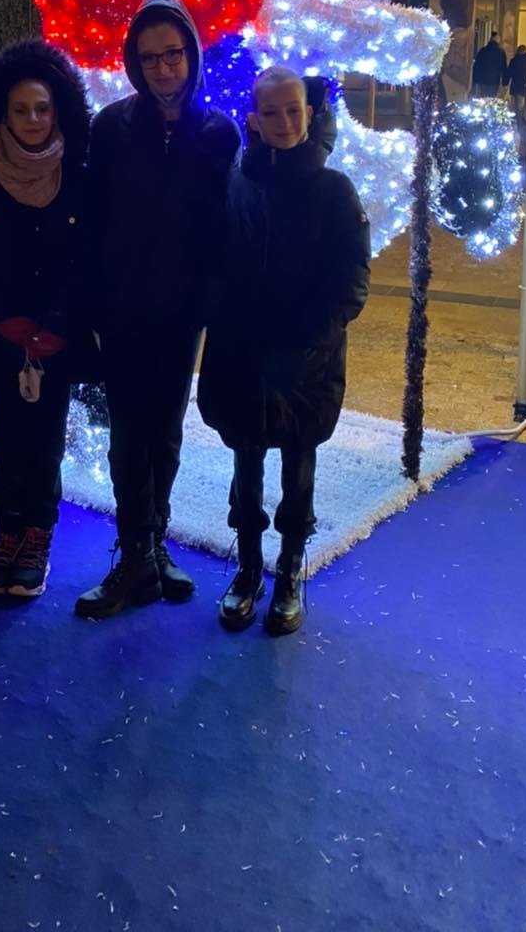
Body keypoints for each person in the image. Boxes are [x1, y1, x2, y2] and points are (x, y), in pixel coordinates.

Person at [74, 0, 240, 620]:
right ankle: (133, 552)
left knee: (166, 431)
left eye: (173, 54)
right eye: (150, 58)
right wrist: (93, 303)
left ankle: (154, 542)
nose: (163, 68)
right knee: (127, 433)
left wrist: (207, 303)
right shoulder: (111, 128)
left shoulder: (218, 134)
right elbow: (92, 221)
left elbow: (223, 230)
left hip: (181, 313)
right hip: (121, 309)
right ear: (134, 63)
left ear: (190, 54)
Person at [198, 68, 371, 636]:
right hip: (243, 350)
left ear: (309, 112)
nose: (284, 122)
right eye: (271, 112)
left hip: (306, 357)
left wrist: (316, 335)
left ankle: (290, 567)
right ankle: (248, 565)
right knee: (246, 458)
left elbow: (352, 277)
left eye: (293, 110)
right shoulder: (235, 184)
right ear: (254, 119)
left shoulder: (333, 190)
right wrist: (222, 313)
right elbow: (215, 257)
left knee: (299, 460)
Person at [0, 38, 95, 598]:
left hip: (56, 341)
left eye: (42, 108)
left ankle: (38, 537)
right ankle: (7, 537)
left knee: (45, 446)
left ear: (58, 110)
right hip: (4, 339)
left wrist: (57, 324)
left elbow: (89, 263)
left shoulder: (78, 178)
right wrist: (1, 320)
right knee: (9, 443)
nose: (33, 119)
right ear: (3, 113)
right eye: (21, 110)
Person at [471, 32, 506, 97]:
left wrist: (475, 78)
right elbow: (503, 67)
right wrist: (504, 81)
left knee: (483, 97)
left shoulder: (483, 51)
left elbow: (477, 65)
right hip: (494, 79)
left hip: (483, 79)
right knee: (491, 97)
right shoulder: (501, 52)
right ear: (497, 40)